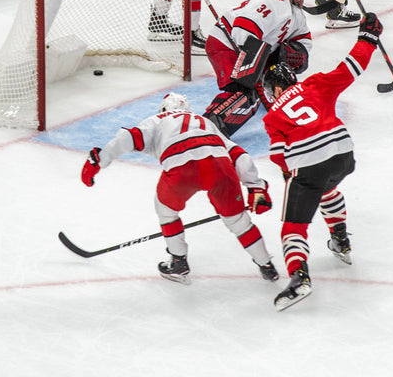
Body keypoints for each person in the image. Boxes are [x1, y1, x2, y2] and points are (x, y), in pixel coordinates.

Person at [79, 91, 280, 285]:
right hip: (219, 166)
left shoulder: (156, 120)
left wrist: (98, 160)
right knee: (239, 221)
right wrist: (256, 188)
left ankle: (178, 262)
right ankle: (266, 265)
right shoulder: (205, 122)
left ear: (164, 109)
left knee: (166, 211)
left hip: (182, 167)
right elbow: (239, 155)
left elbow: (127, 139)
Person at [260, 11, 383, 311]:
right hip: (343, 155)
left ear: (276, 89)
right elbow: (351, 67)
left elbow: (279, 156)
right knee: (325, 187)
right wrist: (368, 37)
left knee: (293, 227)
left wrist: (289, 177)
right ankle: (340, 239)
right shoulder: (316, 84)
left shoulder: (273, 115)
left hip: (312, 161)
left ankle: (300, 277)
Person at [202, 0, 314, 138]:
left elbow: (304, 39)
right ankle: (208, 126)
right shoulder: (273, 1)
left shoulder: (295, 12)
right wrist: (250, 73)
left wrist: (293, 53)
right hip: (225, 44)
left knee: (281, 76)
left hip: (254, 49)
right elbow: (242, 27)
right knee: (244, 96)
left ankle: (263, 91)